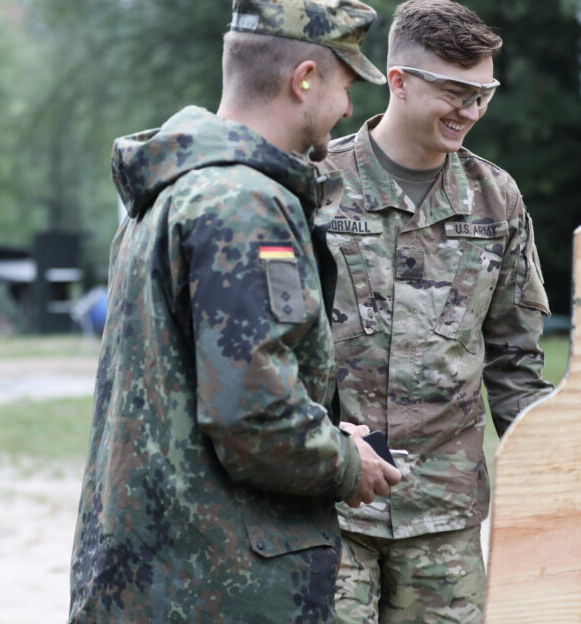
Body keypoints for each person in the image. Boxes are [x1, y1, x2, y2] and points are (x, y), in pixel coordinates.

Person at [68, 1, 402, 621]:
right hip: (218, 585)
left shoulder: (174, 188)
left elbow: (211, 383)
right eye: (346, 85)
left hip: (156, 572)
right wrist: (348, 462)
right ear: (304, 79)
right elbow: (254, 417)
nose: (349, 110)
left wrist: (328, 430)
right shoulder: (243, 204)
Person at [322, 1, 554, 621]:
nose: (472, 112)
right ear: (398, 81)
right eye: (455, 92)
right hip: (330, 504)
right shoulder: (319, 184)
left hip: (444, 518)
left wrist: (560, 469)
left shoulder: (496, 198)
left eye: (485, 94)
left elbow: (515, 361)